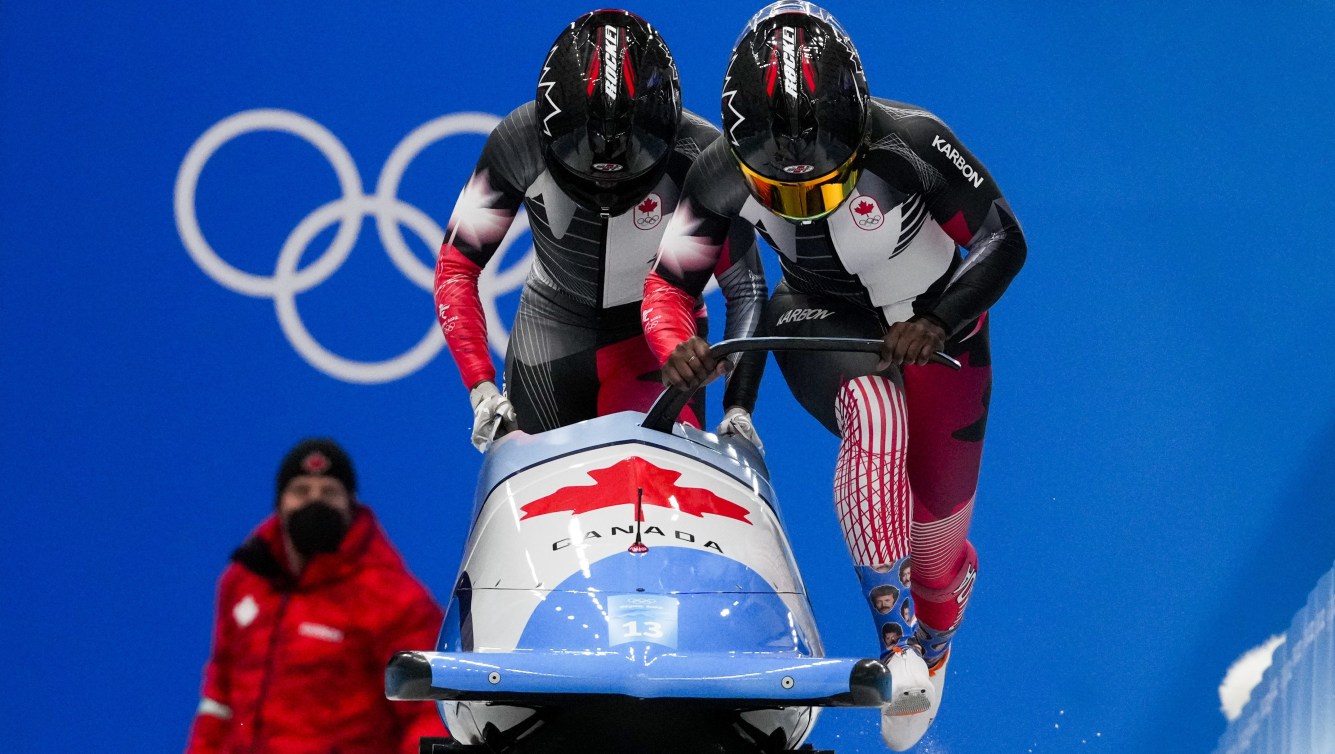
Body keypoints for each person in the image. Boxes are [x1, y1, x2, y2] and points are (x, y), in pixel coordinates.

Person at [642, 3, 1026, 749]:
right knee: (874, 416)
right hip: (819, 318)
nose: (799, 199)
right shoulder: (720, 169)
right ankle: (897, 643)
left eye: (821, 183)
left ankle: (935, 620)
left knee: (936, 555)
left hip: (943, 334)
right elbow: (669, 286)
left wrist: (940, 320)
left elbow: (1002, 239)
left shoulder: (914, 138)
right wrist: (672, 343)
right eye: (778, 190)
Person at [434, 9, 767, 453]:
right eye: (581, 153)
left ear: (664, 131)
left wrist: (737, 408)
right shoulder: (519, 140)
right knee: (545, 513)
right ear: (553, 127)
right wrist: (480, 387)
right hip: (549, 339)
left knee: (656, 489)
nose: (606, 180)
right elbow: (457, 267)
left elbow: (744, 286)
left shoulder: (699, 154)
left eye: (635, 154)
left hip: (654, 347)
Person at [185, 439, 448, 754]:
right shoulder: (243, 581)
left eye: (329, 492)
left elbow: (428, 714)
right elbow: (219, 697)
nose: (314, 502)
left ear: (351, 504)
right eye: (301, 491)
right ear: (279, 502)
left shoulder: (396, 599)